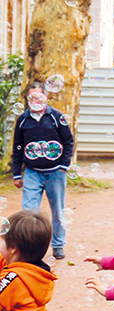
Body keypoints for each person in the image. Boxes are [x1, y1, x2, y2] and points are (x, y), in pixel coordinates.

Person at [11, 82, 75, 260]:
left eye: (38, 96)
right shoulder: (23, 120)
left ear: (46, 97)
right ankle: (29, 248)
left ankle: (58, 245)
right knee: (29, 211)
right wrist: (17, 173)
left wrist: (64, 166)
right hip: (32, 172)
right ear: (27, 99)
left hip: (55, 172)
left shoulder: (56, 117)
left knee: (58, 211)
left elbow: (68, 142)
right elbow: (17, 148)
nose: (35, 100)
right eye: (31, 97)